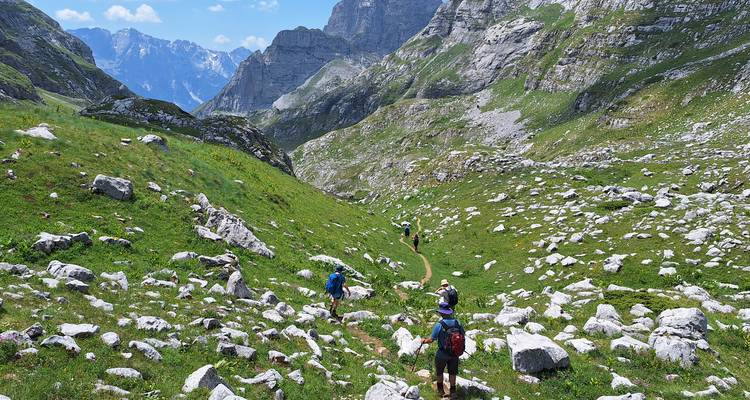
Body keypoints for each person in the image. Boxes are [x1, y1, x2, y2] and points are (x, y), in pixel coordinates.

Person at [421, 302, 465, 399]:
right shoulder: (458, 322)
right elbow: (462, 335)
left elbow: (431, 339)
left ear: (441, 313)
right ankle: (453, 392)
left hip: (442, 353)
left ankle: (441, 391)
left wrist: (424, 341)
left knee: (439, 372)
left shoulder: (439, 325)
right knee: (452, 373)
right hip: (454, 353)